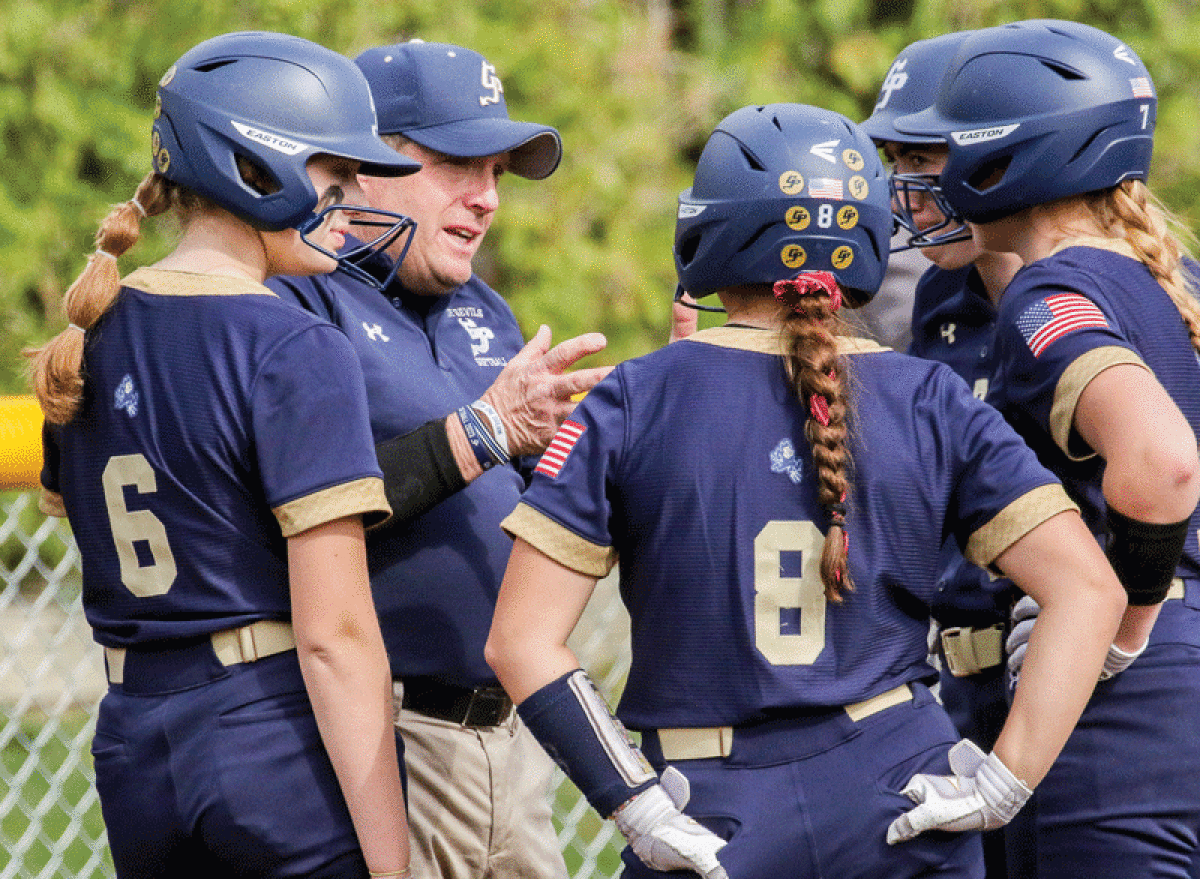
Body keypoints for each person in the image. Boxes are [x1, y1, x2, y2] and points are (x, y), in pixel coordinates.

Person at [485, 102, 1126, 879]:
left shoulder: (633, 398)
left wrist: (635, 803)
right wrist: (1003, 781)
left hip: (710, 805)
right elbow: (1090, 591)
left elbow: (519, 640)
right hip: (903, 792)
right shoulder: (932, 397)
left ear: (710, 230)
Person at [29, 31, 419, 879]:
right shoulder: (293, 344)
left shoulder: (91, 333)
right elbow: (337, 638)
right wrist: (396, 862)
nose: (351, 199)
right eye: (334, 173)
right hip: (263, 736)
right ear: (253, 165)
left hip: (134, 739)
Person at [267, 39, 608, 879]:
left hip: (511, 742)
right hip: (385, 739)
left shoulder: (483, 309)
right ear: (367, 165)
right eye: (458, 163)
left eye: (497, 172)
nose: (486, 198)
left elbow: (539, 500)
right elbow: (302, 504)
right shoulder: (300, 300)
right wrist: (484, 430)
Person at [894, 19, 1200, 878]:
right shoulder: (1148, 274)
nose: (929, 178)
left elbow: (1165, 460)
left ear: (1017, 155)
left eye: (948, 147)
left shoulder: (1045, 286)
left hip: (1116, 713)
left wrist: (1120, 628)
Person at [862, 33, 1025, 878]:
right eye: (893, 159)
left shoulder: (1127, 291)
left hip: (1090, 686)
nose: (906, 190)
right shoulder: (936, 295)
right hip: (957, 698)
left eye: (925, 157)